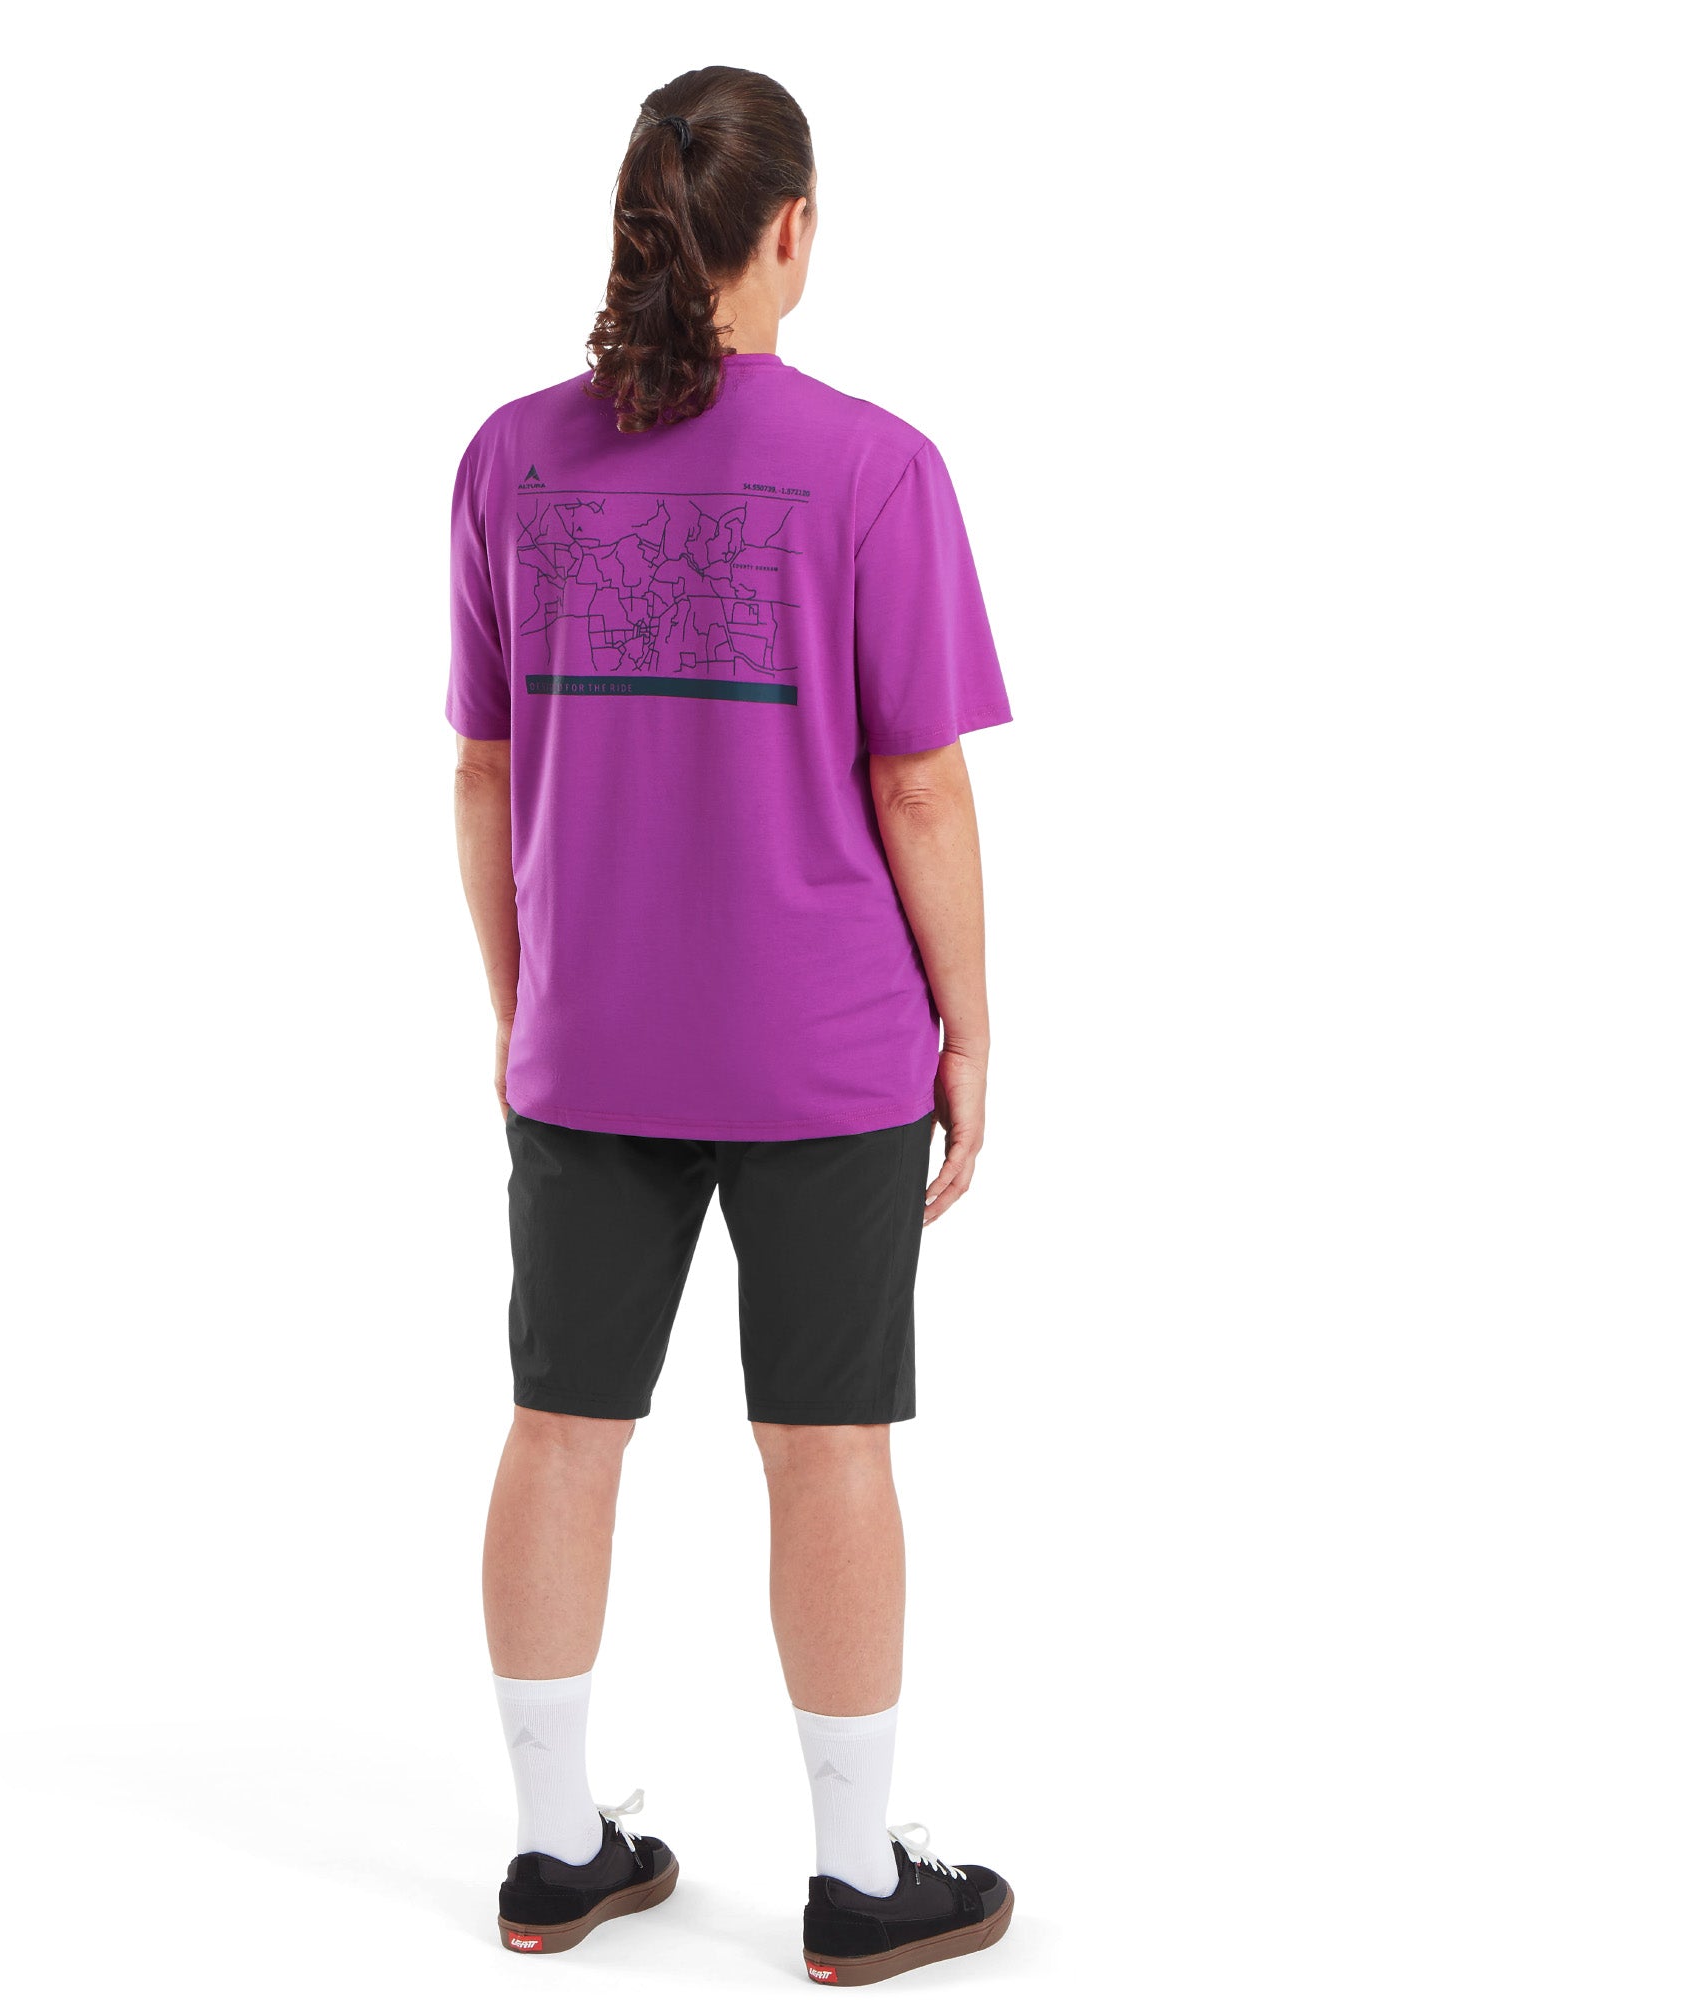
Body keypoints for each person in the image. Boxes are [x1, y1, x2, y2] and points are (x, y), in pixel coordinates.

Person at [448, 66, 1014, 1985]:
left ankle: (553, 1856)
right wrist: (971, 1031)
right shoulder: (874, 468)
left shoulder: (509, 460)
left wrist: (527, 1003)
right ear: (791, 229)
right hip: (823, 1052)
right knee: (828, 1446)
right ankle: (857, 1884)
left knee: (562, 1428)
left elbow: (482, 774)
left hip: (588, 1045)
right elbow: (918, 785)